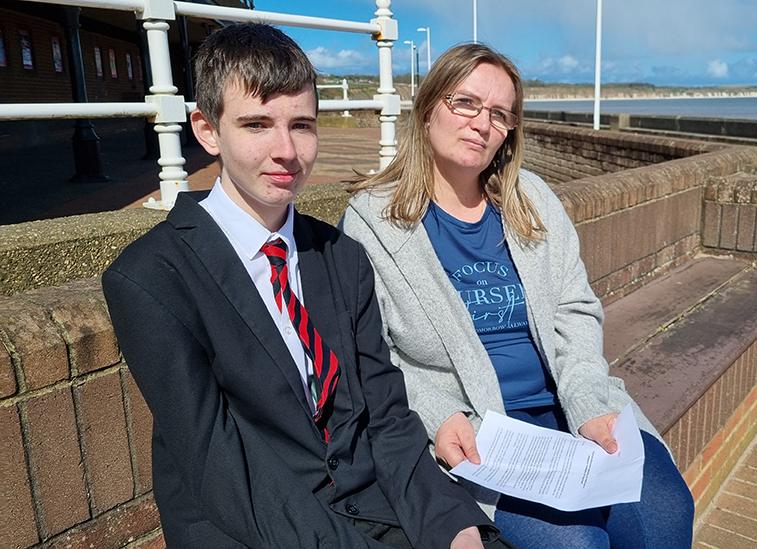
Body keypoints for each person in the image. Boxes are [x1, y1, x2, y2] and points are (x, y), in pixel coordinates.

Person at [101, 24, 507, 549]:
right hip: (248, 523)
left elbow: (386, 414)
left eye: (303, 125)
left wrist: (455, 525)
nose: (286, 151)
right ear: (206, 130)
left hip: (372, 503)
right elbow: (220, 465)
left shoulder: (341, 256)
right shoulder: (151, 277)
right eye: (256, 125)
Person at [341, 43, 696, 548]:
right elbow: (372, 351)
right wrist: (438, 414)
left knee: (664, 515)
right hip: (479, 430)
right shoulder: (373, 220)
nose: (482, 123)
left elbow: (575, 308)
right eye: (465, 103)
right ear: (427, 109)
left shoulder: (532, 200)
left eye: (500, 114)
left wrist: (590, 402)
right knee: (575, 543)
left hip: (569, 403)